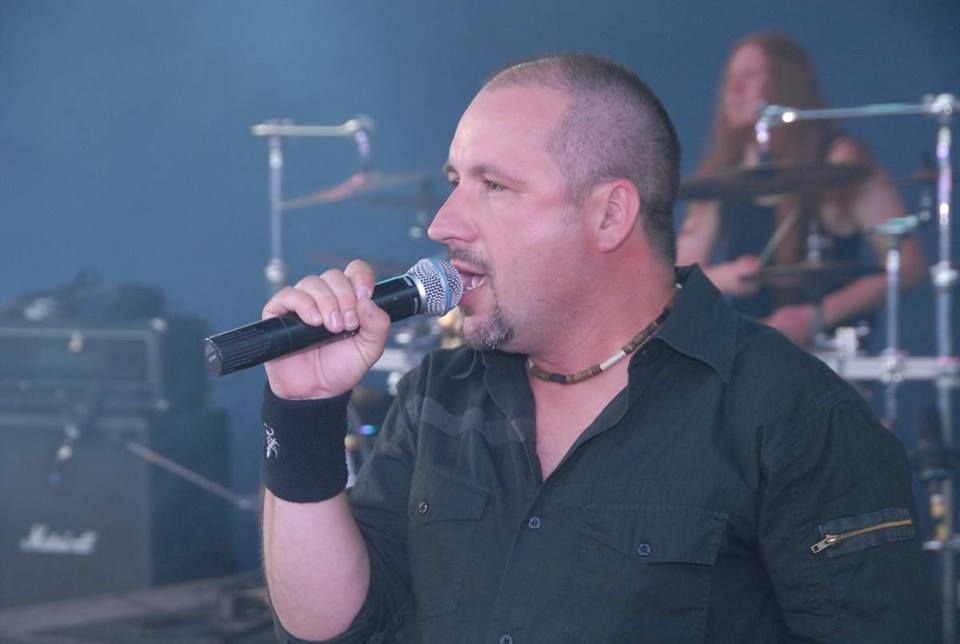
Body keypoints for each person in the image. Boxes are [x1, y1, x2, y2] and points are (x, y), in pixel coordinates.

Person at [258, 52, 936, 643]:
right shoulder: (439, 395)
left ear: (609, 215)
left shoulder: (794, 418)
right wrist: (303, 409)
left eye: (494, 186)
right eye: (456, 180)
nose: (443, 222)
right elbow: (330, 626)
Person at [677, 32, 927, 347]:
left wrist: (815, 316)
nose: (734, 89)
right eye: (730, 78)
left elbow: (908, 263)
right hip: (749, 352)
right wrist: (727, 276)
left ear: (786, 85)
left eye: (749, 76)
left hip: (831, 353)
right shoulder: (720, 175)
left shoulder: (841, 159)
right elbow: (677, 279)